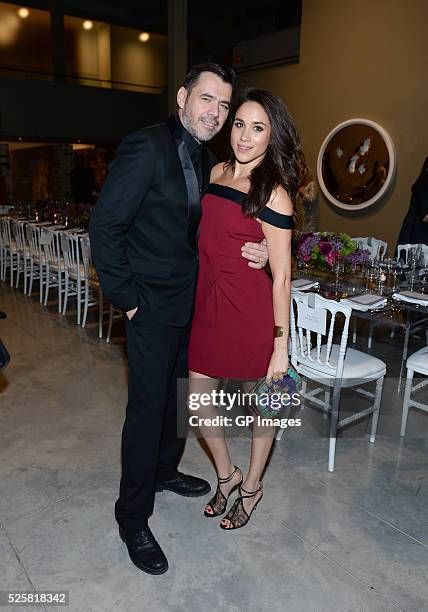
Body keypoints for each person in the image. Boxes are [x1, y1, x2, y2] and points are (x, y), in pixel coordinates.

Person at [89, 64, 269, 575]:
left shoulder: (210, 160)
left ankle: (165, 471)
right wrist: (127, 299)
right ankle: (132, 516)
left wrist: (260, 249)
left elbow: (214, 230)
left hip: (195, 305)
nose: (215, 112)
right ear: (183, 96)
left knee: (182, 397)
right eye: (207, 100)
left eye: (223, 106)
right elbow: (106, 225)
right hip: (149, 306)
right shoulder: (146, 146)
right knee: (147, 410)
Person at [188, 88, 308, 529]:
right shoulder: (217, 171)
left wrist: (282, 346)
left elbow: (282, 275)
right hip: (209, 303)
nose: (244, 136)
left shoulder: (275, 195)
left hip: (251, 310)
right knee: (199, 401)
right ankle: (227, 475)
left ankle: (252, 487)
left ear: (271, 136)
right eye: (239, 124)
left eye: (258, 128)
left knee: (267, 406)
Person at [397, 156, 428, 247]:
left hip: (414, 232)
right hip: (419, 235)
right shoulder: (425, 183)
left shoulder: (423, 181)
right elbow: (425, 217)